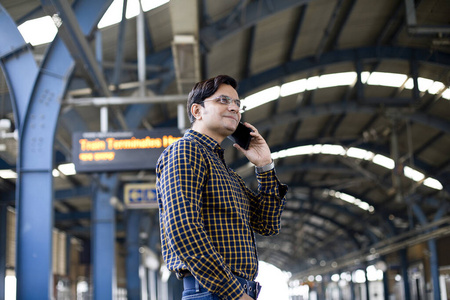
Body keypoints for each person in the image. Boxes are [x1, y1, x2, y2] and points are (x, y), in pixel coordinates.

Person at [156, 75, 288, 300]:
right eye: (223, 101)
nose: (234, 108)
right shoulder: (185, 151)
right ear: (197, 111)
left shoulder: (228, 174)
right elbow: (183, 230)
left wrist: (265, 166)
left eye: (238, 104)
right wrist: (235, 294)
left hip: (232, 291)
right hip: (214, 291)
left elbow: (268, 224)